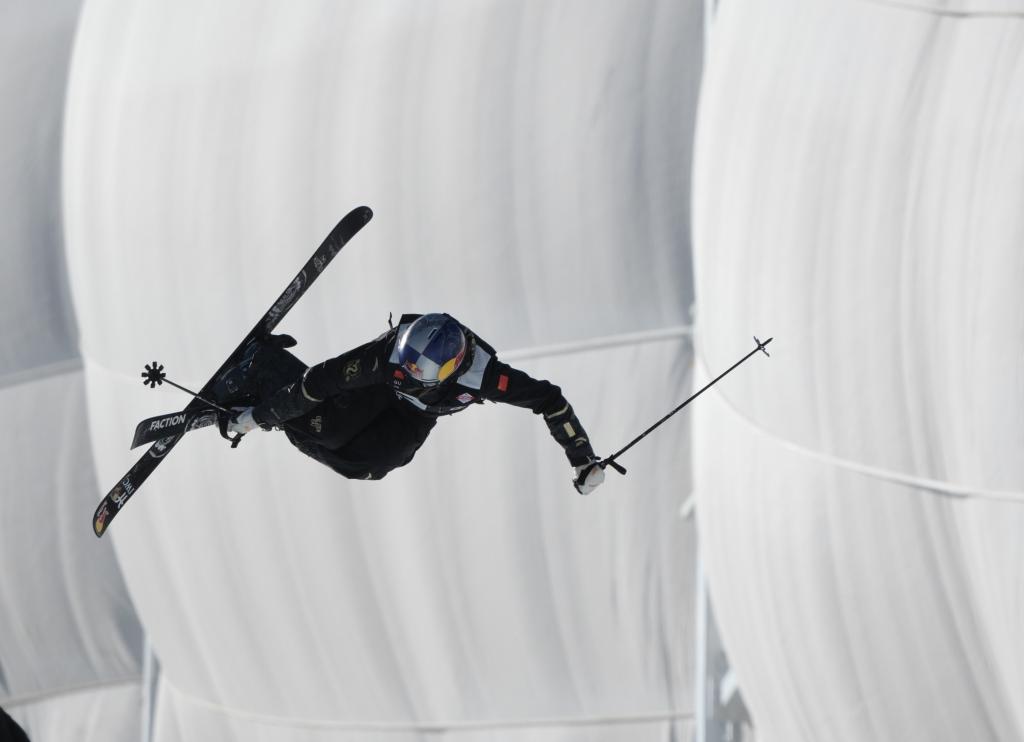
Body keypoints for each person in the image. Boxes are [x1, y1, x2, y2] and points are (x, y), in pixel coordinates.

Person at [218, 313, 606, 494]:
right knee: (331, 428)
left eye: (421, 371)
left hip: (418, 415)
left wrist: (583, 458)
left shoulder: (487, 377)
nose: (411, 371)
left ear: (453, 369)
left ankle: (268, 398)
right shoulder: (389, 357)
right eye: (409, 363)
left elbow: (549, 400)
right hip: (381, 389)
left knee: (369, 466)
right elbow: (320, 381)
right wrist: (257, 418)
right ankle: (263, 366)